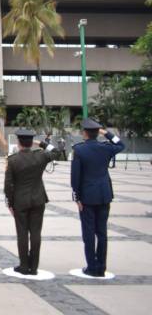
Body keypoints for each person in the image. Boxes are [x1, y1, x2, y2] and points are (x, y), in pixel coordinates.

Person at [71, 118, 125, 278]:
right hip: (104, 194)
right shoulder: (105, 148)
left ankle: (91, 266)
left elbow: (75, 178)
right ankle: (101, 266)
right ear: (97, 133)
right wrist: (106, 133)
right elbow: (121, 145)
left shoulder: (79, 150)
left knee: (88, 233)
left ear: (85, 133)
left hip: (87, 197)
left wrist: (77, 197)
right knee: (102, 232)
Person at [4, 129, 62, 275]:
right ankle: (34, 266)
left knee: (22, 233)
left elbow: (8, 185)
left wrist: (10, 203)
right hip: (38, 199)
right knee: (36, 233)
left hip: (20, 201)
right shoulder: (41, 155)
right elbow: (57, 152)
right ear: (31, 143)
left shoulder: (13, 160)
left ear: (18, 142)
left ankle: (24, 265)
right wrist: (42, 143)